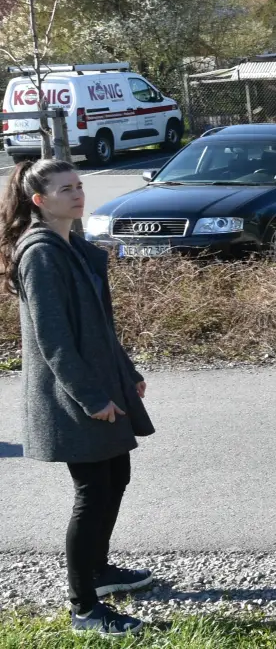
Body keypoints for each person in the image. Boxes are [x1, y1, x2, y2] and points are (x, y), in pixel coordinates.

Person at [7, 159, 155, 638]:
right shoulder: (40, 253)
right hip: (73, 395)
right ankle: (84, 608)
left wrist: (126, 371)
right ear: (39, 201)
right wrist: (91, 398)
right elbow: (53, 340)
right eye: (65, 188)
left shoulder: (72, 244)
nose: (77, 193)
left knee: (116, 476)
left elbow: (98, 324)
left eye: (79, 185)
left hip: (98, 383)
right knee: (93, 491)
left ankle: (99, 571)